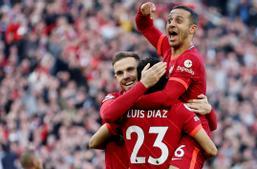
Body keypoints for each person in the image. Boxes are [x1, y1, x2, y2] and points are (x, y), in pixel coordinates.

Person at [90, 51, 213, 169]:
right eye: (120, 73)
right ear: (115, 77)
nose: (126, 76)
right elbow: (106, 116)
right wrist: (143, 84)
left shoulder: (125, 111)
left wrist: (209, 111)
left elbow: (94, 142)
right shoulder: (116, 101)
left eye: (130, 69)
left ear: (142, 71)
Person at [134, 2, 217, 168]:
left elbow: (167, 98)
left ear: (192, 29)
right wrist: (142, 13)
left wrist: (131, 100)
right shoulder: (168, 47)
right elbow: (145, 28)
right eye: (169, 20)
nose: (171, 23)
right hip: (171, 127)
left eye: (178, 21)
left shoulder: (189, 60)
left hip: (192, 132)